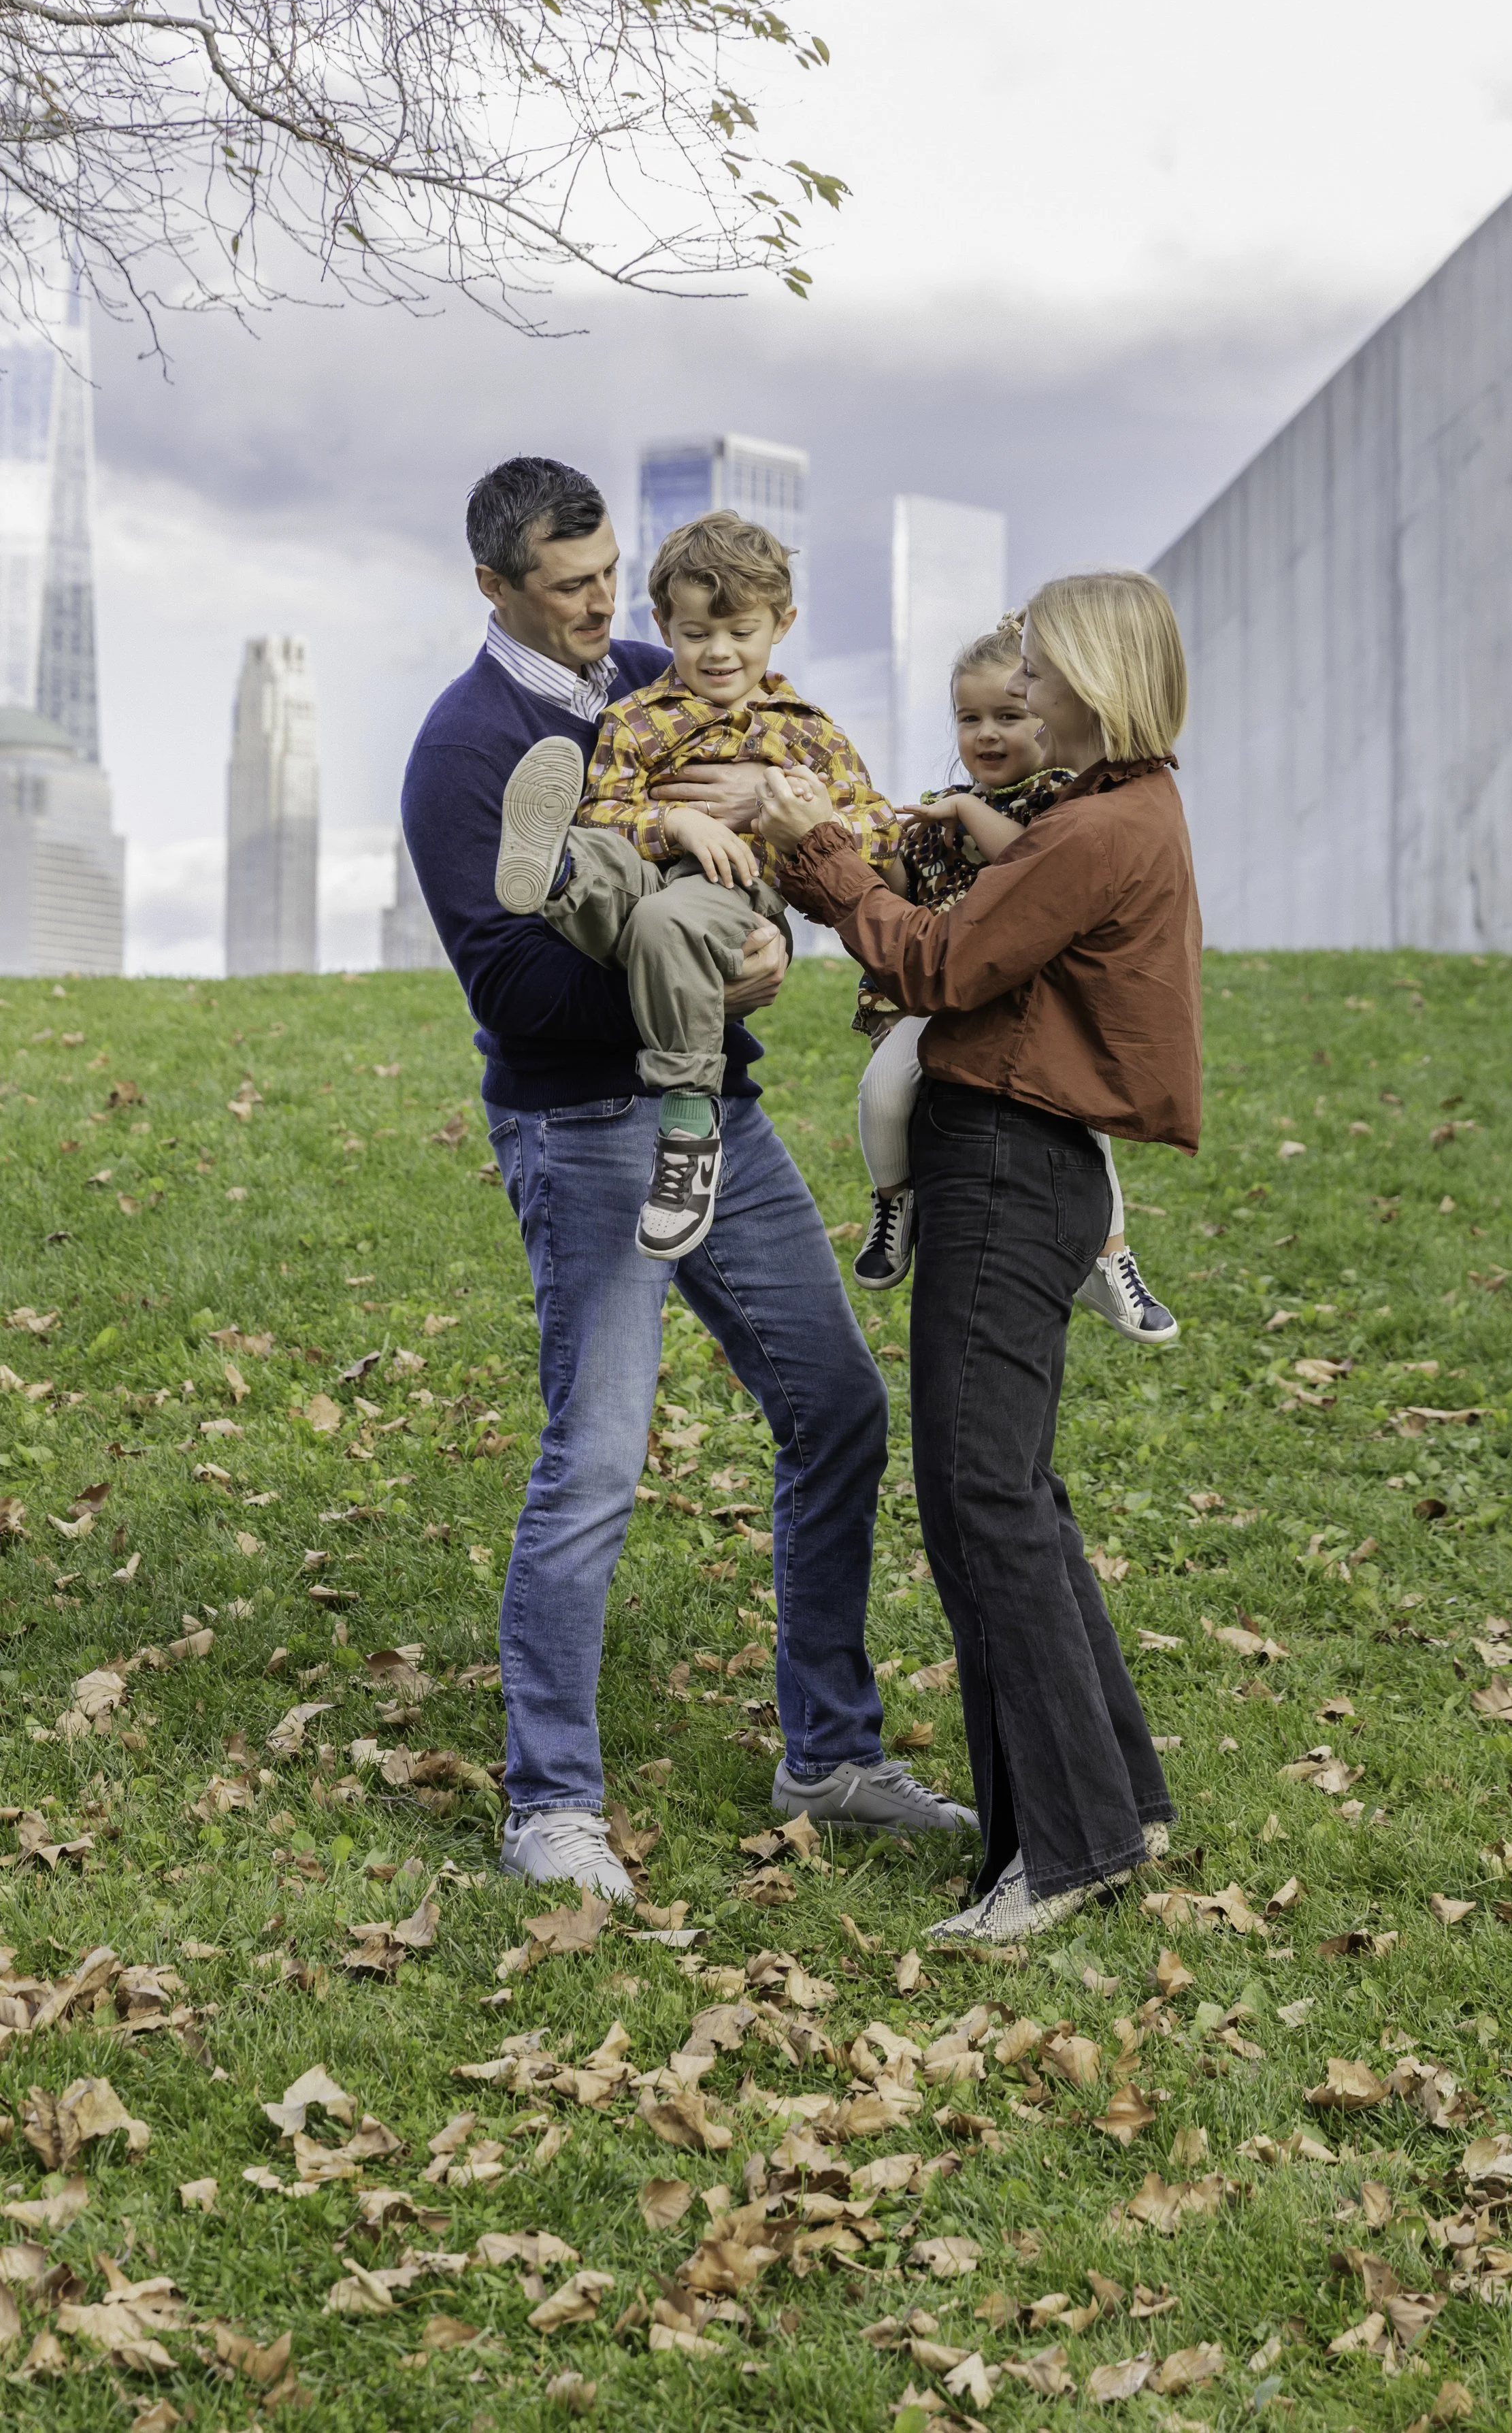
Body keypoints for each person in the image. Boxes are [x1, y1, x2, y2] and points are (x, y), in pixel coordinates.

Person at [399, 455, 974, 1899]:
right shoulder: (466, 745)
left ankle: (828, 1753)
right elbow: (512, 990)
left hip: (719, 1107)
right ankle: (552, 1805)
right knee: (596, 1458)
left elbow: (790, 826)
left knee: (837, 1406)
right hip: (586, 1125)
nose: (606, 608)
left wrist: (771, 897)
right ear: (493, 588)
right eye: (569, 588)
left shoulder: (670, 679)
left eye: (612, 576)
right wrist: (700, 979)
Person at [755, 569, 1201, 1945]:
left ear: (1097, 679)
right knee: (1010, 1492)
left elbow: (942, 965)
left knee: (981, 1497)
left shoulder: (1100, 826)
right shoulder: (1111, 808)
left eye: (1042, 673)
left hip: (1009, 1164)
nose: (1026, 693)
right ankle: (1114, 1803)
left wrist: (822, 858)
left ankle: (1060, 1848)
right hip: (1014, 1158)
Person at [493, 509, 896, 1262]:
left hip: (736, 888)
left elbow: (880, 830)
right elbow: (606, 809)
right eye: (695, 633)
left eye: (740, 632)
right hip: (647, 871)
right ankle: (553, 868)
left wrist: (792, 810)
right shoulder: (634, 718)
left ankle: (688, 1124)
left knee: (664, 920)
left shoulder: (807, 732)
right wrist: (676, 822)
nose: (717, 652)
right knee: (595, 850)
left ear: (781, 625)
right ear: (663, 626)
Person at [850, 618, 1179, 1348]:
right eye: (969, 718)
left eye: (1008, 714)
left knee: (1083, 1121)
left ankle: (1111, 1257)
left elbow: (1029, 866)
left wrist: (968, 811)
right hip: (943, 992)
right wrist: (869, 849)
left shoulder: (1061, 798)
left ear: (1046, 715)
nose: (987, 734)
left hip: (1032, 1003)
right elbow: (907, 893)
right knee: (883, 1089)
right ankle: (893, 1201)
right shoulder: (945, 805)